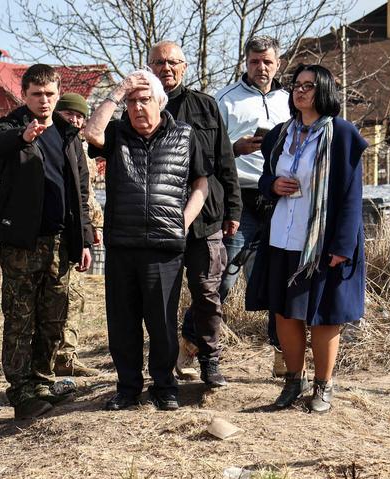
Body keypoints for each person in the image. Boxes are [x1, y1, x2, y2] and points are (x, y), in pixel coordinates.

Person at [83, 70, 210, 411]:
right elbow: (90, 133)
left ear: (160, 102)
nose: (137, 107)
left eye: (144, 99)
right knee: (123, 323)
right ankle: (127, 388)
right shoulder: (116, 134)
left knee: (162, 324)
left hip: (164, 247)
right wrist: (118, 90)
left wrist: (183, 221)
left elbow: (201, 184)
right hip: (123, 245)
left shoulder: (185, 135)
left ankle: (165, 386)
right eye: (131, 101)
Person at [247, 64, 368, 414]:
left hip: (322, 243)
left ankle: (323, 386)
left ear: (325, 90)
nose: (300, 91)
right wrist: (272, 185)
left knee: (324, 316)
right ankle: (293, 382)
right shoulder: (281, 134)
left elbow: (351, 196)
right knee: (285, 313)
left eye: (309, 86)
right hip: (283, 236)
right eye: (296, 85)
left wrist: (342, 247)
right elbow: (265, 180)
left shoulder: (342, 135)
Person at [0, 64, 94, 420]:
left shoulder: (67, 132)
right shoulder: (11, 126)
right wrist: (25, 137)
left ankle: (42, 381)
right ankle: (20, 390)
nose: (44, 101)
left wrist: (84, 240)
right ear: (25, 95)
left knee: (54, 318)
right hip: (22, 244)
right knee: (20, 318)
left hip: (61, 243)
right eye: (37, 94)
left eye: (50, 94)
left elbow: (79, 190)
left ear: (57, 93)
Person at [147, 40, 241, 389]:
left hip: (206, 221)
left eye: (172, 62)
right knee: (161, 300)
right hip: (160, 221)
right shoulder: (142, 107)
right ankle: (164, 366)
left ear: (184, 67)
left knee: (207, 294)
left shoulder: (205, 106)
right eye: (158, 62)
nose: (166, 68)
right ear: (149, 67)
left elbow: (226, 160)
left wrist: (234, 208)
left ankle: (210, 361)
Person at [215, 36, 291, 376]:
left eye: (268, 62)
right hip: (239, 199)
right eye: (255, 61)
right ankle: (192, 346)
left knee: (280, 280)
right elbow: (208, 152)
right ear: (245, 62)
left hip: (281, 200)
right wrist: (235, 148)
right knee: (222, 277)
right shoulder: (224, 101)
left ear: (278, 64)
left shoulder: (292, 101)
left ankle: (283, 355)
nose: (261, 68)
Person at [51, 92, 104, 378]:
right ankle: (57, 357)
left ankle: (67, 355)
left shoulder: (81, 145)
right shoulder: (57, 143)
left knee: (77, 297)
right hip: (64, 231)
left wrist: (94, 226)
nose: (74, 119)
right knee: (65, 297)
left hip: (83, 230)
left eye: (80, 115)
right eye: (69, 113)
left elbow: (89, 195)